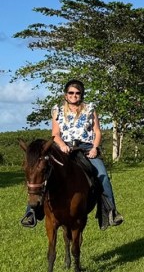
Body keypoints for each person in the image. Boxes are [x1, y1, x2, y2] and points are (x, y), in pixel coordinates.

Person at [21, 79, 124, 229]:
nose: (74, 95)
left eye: (77, 93)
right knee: (40, 171)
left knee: (103, 176)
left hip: (86, 148)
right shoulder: (57, 110)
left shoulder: (90, 109)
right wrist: (62, 145)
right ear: (65, 95)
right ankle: (31, 212)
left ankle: (110, 211)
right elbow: (55, 133)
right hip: (64, 147)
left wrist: (95, 147)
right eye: (71, 93)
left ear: (82, 95)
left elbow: (97, 131)